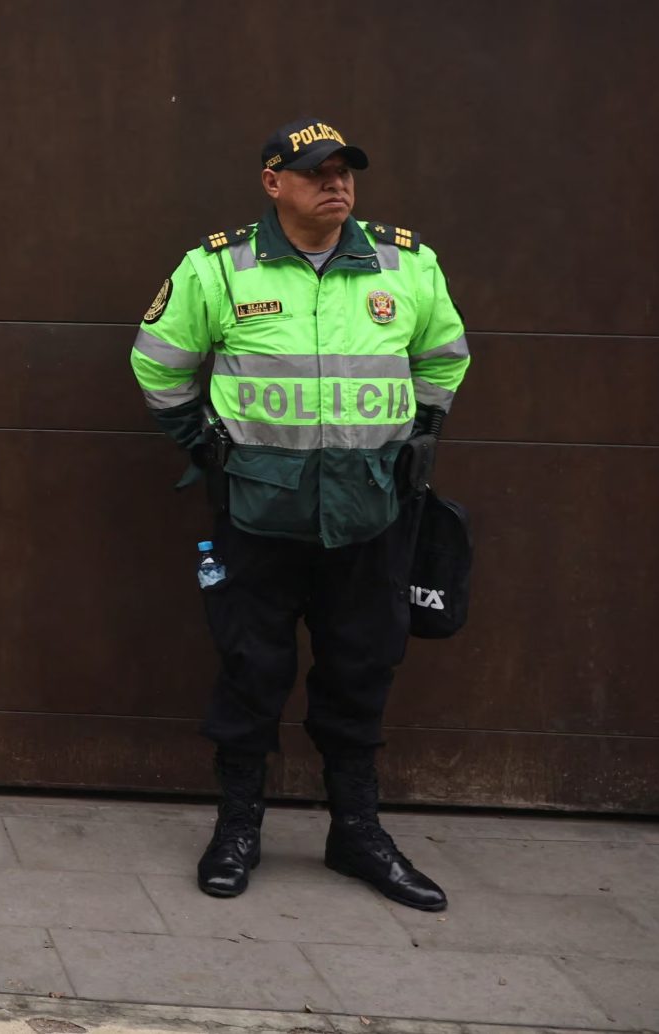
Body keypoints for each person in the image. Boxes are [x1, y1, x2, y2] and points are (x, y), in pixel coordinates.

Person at [127, 118, 471, 909]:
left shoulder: (405, 264)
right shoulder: (219, 269)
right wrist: (207, 446)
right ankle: (238, 828)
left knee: (361, 668)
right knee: (251, 668)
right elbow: (159, 363)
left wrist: (416, 440)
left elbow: (445, 355)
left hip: (370, 513)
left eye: (346, 171)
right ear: (273, 183)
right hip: (257, 509)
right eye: (316, 171)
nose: (337, 184)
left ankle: (357, 833)